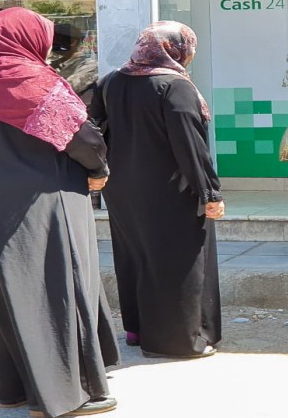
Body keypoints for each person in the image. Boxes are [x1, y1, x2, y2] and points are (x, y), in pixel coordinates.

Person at [0, 8, 118, 417]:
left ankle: (14, 389)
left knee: (8, 293)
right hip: (38, 199)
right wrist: (98, 172)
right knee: (57, 290)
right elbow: (83, 139)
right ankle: (63, 396)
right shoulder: (34, 82)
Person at [91, 21, 224, 358]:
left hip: (122, 189)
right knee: (177, 260)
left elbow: (95, 129)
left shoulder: (111, 81)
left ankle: (137, 329)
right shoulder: (174, 86)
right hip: (168, 189)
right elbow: (189, 146)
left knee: (136, 256)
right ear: (177, 48)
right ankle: (177, 340)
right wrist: (210, 193)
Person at [50, 23, 97, 102]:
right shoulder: (55, 64)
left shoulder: (88, 64)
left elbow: (70, 86)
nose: (53, 43)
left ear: (73, 42)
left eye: (57, 40)